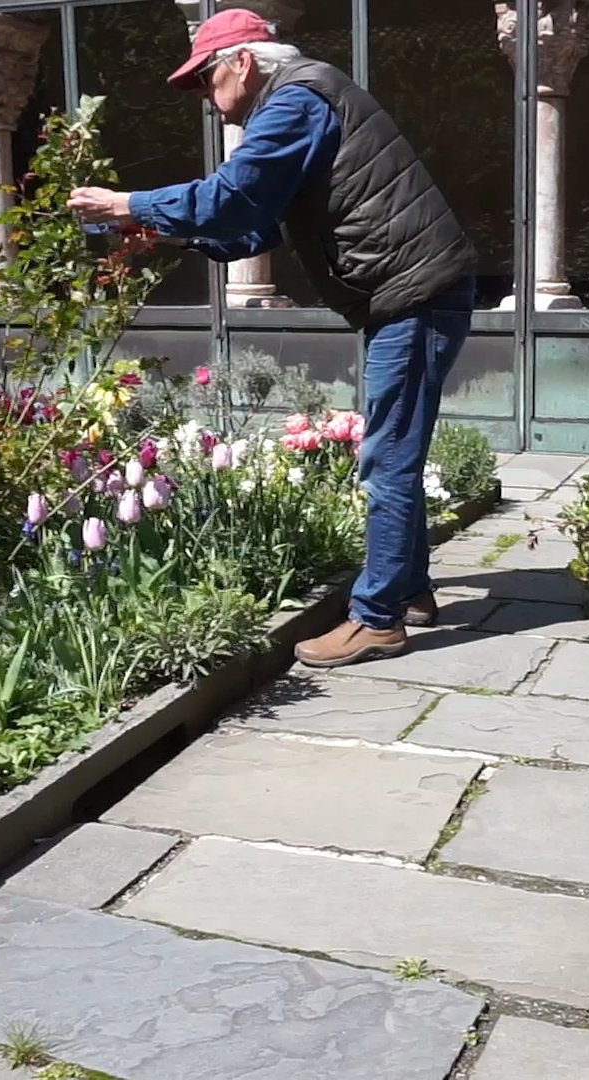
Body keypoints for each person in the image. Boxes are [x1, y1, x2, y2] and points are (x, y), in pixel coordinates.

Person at [67, 8, 479, 670]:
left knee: (389, 456)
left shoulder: (296, 101)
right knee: (397, 445)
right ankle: (411, 591)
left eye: (204, 80)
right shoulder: (303, 102)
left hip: (415, 293)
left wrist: (128, 205)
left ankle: (377, 620)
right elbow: (255, 228)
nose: (204, 98)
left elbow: (234, 196)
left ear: (243, 63)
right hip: (412, 293)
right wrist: (169, 231)